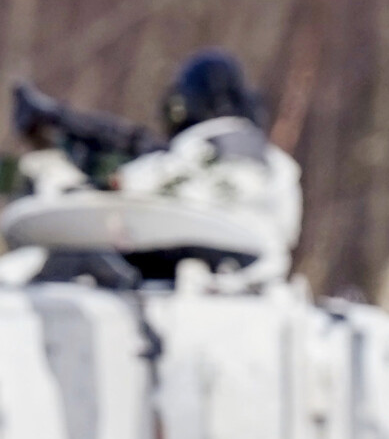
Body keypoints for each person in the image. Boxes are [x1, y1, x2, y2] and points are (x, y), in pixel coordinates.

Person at [112, 48, 303, 275]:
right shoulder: (277, 163)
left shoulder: (200, 146)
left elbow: (132, 184)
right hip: (263, 277)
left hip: (189, 273)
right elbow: (288, 230)